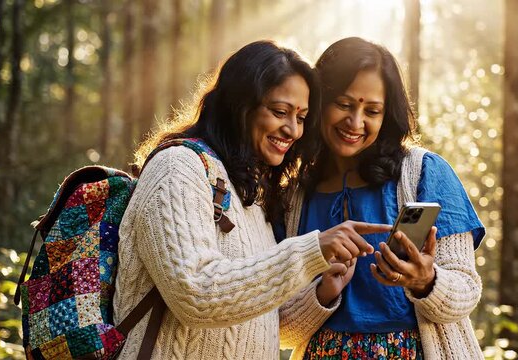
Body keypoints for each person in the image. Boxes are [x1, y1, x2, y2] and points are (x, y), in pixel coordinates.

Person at [113, 40, 391, 359]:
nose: (293, 130)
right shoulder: (178, 167)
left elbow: (265, 322)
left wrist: (323, 289)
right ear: (240, 105)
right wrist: (309, 250)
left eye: (301, 117)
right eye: (280, 111)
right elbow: (196, 294)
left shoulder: (252, 193)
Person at [281, 37, 485, 359]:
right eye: (344, 104)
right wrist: (322, 294)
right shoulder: (295, 195)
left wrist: (426, 281)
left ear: (386, 114)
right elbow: (281, 327)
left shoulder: (423, 173)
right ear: (318, 102)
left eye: (372, 110)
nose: (356, 122)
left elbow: (466, 292)